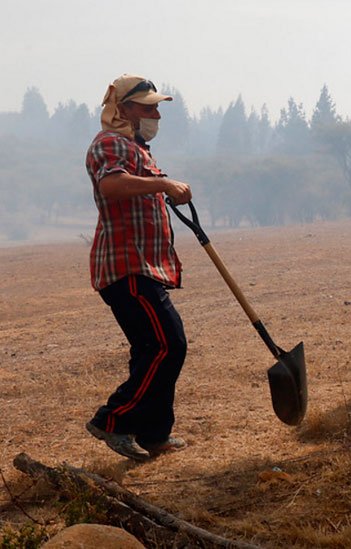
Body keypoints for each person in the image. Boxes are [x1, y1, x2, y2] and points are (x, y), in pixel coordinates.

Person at [84, 74, 193, 461]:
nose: (155, 114)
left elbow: (139, 187)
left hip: (144, 266)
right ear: (122, 109)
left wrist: (166, 188)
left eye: (157, 107)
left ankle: (154, 433)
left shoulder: (137, 148)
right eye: (147, 107)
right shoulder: (109, 144)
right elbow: (113, 186)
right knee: (168, 344)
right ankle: (112, 419)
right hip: (126, 267)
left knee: (151, 348)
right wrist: (164, 186)